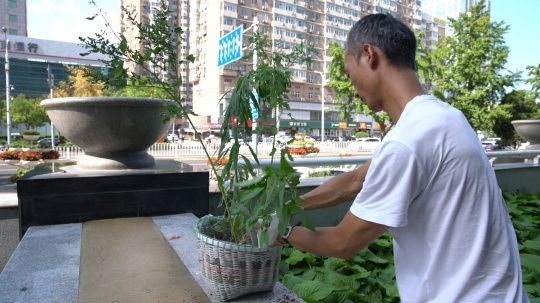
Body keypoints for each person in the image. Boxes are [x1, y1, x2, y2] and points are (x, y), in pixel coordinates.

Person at [275, 14, 530, 302]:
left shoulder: (407, 141)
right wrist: (290, 206)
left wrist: (281, 231)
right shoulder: (444, 118)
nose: (353, 90)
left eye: (349, 73)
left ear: (369, 55)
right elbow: (356, 180)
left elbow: (342, 243)